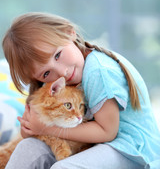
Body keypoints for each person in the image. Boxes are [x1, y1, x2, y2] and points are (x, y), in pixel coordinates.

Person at [2, 12, 160, 169]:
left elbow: (107, 132)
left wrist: (46, 128)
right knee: (27, 148)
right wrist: (31, 130)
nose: (61, 72)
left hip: (131, 149)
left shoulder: (98, 71)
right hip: (96, 143)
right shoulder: (59, 83)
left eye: (57, 55)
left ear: (69, 33)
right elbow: (35, 128)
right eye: (46, 73)